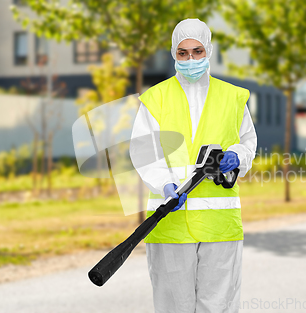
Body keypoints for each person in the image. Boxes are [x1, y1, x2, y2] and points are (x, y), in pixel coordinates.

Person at [129, 18, 257, 313]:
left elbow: (248, 141)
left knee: (219, 306)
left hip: (219, 224)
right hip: (170, 220)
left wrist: (237, 156)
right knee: (174, 306)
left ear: (209, 50)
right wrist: (164, 185)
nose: (190, 59)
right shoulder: (155, 98)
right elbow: (143, 152)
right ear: (173, 53)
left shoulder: (233, 97)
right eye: (183, 53)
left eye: (197, 51)